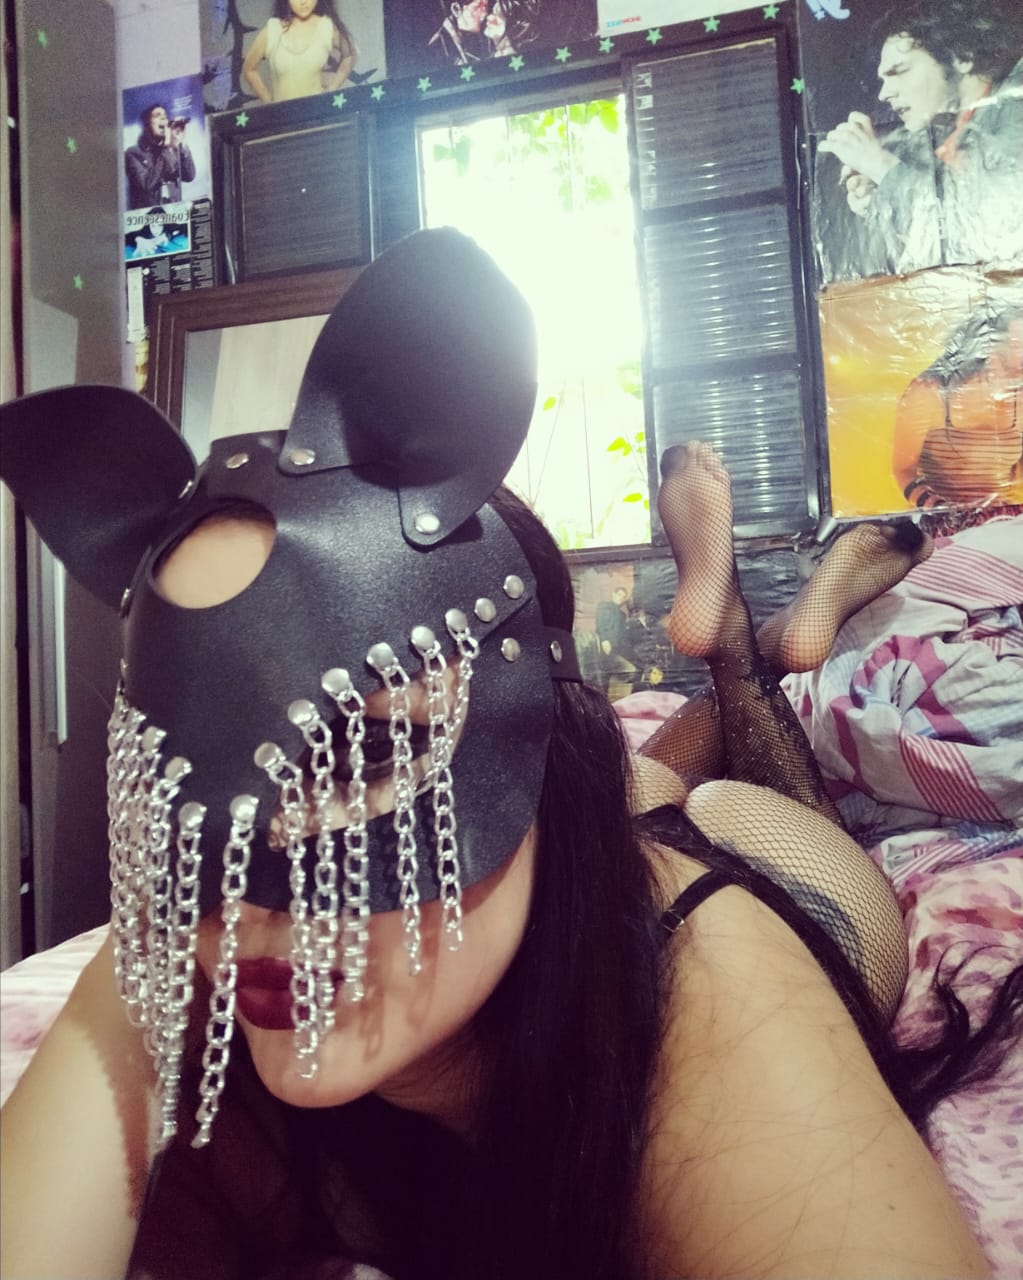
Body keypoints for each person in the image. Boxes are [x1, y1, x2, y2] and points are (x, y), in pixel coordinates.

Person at [1, 231, 1019, 1280]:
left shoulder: (719, 998)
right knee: (646, 775)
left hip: (788, 873)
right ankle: (719, 655)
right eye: (187, 782)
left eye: (366, 751)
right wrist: (158, 924)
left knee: (749, 797)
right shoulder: (214, 942)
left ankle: (754, 646)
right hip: (589, 817)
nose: (259, 885)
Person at [817, 0, 1023, 278]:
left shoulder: (1016, 108)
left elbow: (993, 220)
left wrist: (881, 166)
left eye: (899, 72)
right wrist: (878, 198)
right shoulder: (955, 131)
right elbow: (949, 243)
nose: (884, 94)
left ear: (963, 56)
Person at [893, 305, 1023, 509]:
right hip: (942, 519)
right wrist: (938, 508)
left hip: (1001, 519)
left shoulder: (1020, 398)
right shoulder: (929, 392)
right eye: (1016, 345)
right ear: (988, 345)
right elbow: (903, 470)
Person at [243, 0, 356, 105]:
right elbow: (249, 69)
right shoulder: (273, 28)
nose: (303, 2)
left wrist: (332, 89)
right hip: (283, 115)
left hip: (317, 111)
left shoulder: (325, 26)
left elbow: (350, 55)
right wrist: (267, 101)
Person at [125, 104, 197, 210]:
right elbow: (147, 184)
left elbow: (189, 176)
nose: (163, 118)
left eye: (165, 116)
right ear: (147, 124)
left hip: (175, 213)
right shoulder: (133, 153)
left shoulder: (173, 149)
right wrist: (166, 147)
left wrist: (182, 144)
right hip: (148, 216)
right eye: (157, 115)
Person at [427, 0, 490, 66]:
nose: (485, 13)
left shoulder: (487, 37)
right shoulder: (439, 47)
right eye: (477, 7)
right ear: (456, 9)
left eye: (485, 6)